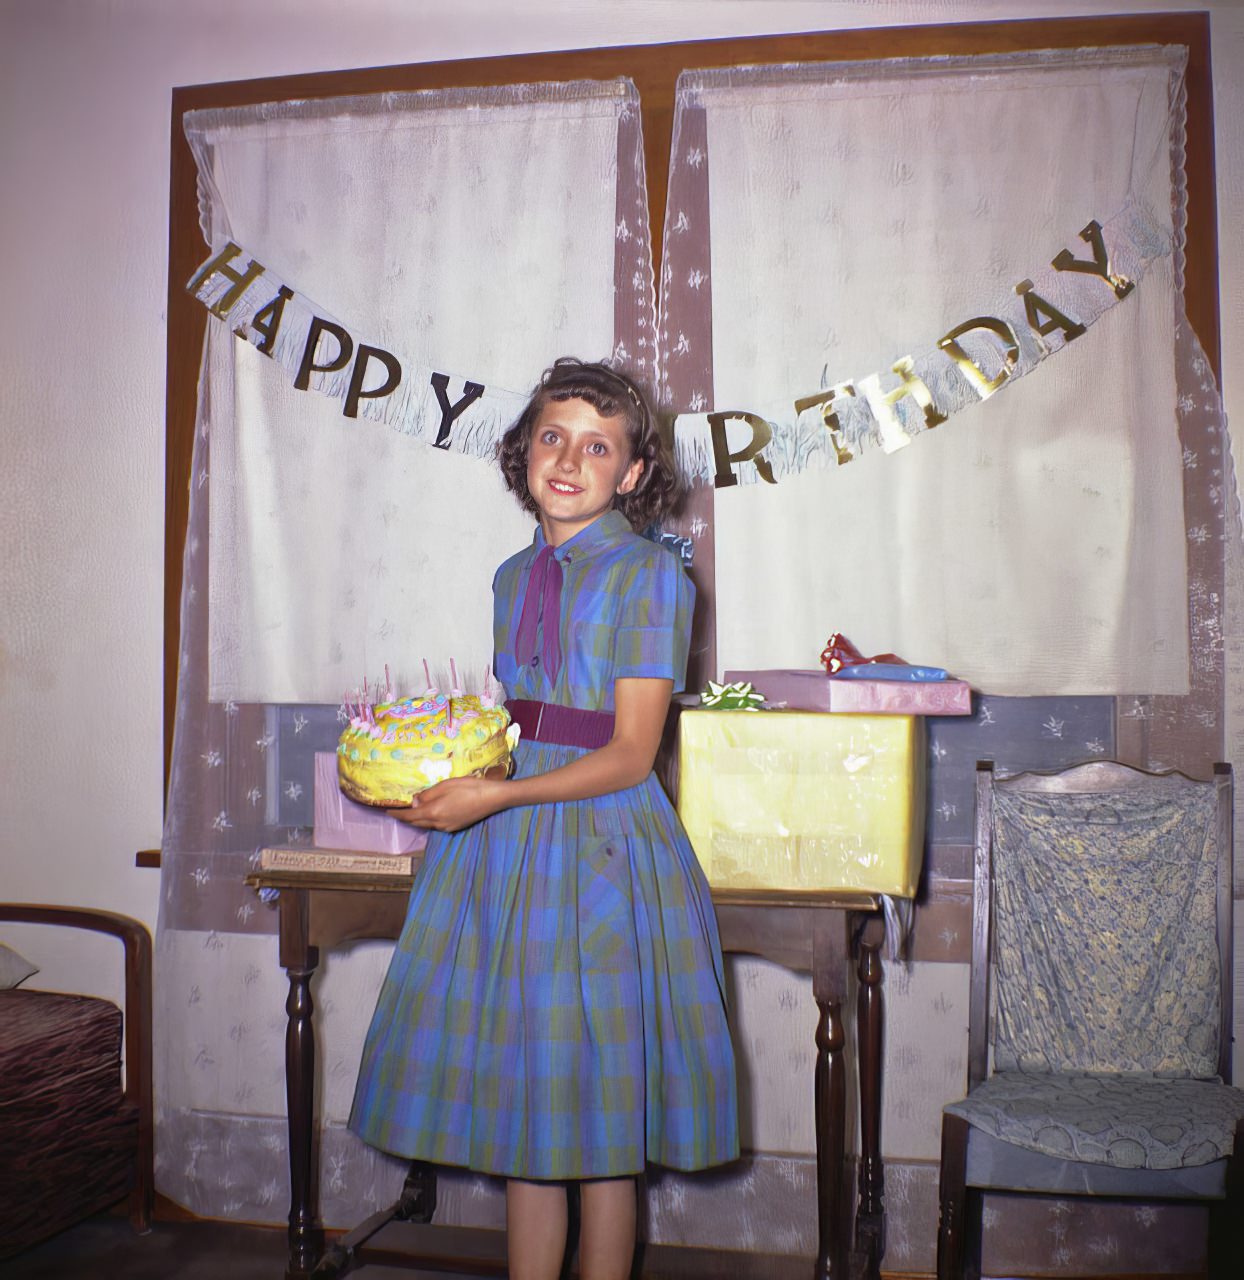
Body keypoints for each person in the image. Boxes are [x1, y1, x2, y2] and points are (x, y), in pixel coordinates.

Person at [349, 358, 739, 1280]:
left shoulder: (650, 578)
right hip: (505, 854)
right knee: (534, 1101)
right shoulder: (509, 574)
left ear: (633, 474)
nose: (569, 459)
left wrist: (500, 794)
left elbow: (632, 752)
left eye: (597, 446)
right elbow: (510, 719)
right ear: (524, 451)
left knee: (598, 1112)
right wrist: (441, 771)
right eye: (552, 437)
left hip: (602, 847)